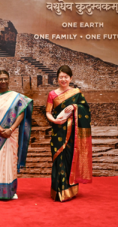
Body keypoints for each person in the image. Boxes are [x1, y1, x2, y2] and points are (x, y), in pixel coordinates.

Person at [0, 70, 33, 200]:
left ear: (9, 80)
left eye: (5, 79)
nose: (3, 81)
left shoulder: (15, 97)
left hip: (11, 135)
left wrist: (11, 129)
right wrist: (1, 129)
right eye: (0, 79)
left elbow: (21, 113)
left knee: (10, 162)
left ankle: (11, 191)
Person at [46, 65, 92, 202]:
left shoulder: (76, 93)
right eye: (61, 77)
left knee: (70, 159)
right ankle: (58, 191)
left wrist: (75, 107)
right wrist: (54, 120)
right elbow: (48, 112)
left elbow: (86, 111)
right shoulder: (52, 94)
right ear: (57, 78)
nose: (63, 79)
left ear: (70, 78)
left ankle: (69, 190)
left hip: (73, 134)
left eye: (66, 77)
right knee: (58, 159)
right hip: (58, 132)